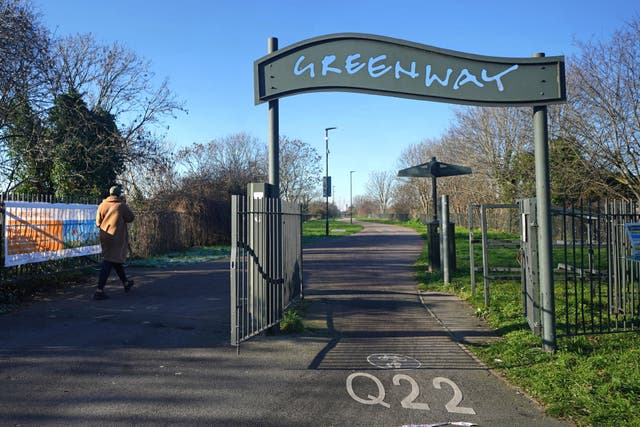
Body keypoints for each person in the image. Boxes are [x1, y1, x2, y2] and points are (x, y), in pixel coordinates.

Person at [93, 185, 135, 300]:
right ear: (119, 194)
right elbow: (131, 218)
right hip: (117, 237)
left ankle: (126, 283)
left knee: (114, 260)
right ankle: (99, 290)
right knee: (108, 261)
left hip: (105, 236)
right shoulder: (121, 206)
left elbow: (98, 223)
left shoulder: (102, 205)